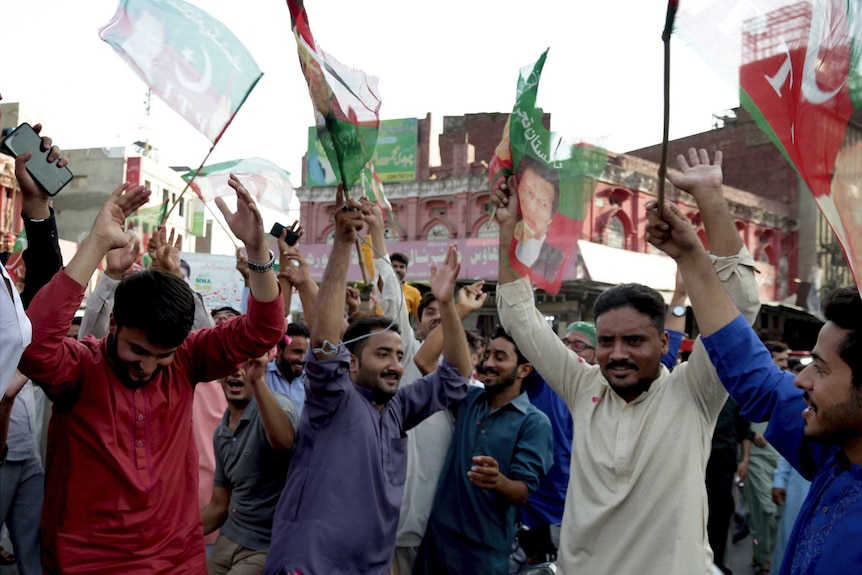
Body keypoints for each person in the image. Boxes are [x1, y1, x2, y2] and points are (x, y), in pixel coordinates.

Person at [492, 148, 760, 574]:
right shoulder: (585, 386)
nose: (617, 354)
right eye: (607, 341)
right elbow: (519, 318)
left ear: (663, 342)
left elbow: (741, 307)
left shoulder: (695, 390)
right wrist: (510, 230)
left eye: (634, 340)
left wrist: (710, 199)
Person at [18, 174, 285, 574]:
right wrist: (96, 244)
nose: (148, 367)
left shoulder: (187, 360)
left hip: (176, 558)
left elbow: (264, 330)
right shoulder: (79, 368)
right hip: (85, 561)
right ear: (113, 326)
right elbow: (35, 344)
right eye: (138, 350)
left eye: (163, 356)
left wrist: (257, 248)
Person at [644, 156, 862, 574]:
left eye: (820, 368)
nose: (800, 378)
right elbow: (753, 372)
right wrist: (692, 253)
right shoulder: (835, 450)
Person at [263, 186, 472, 575]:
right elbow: (325, 338)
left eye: (398, 355)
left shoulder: (398, 409)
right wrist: (342, 243)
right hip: (309, 565)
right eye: (382, 354)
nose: (395, 364)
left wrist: (448, 306)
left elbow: (457, 375)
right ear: (350, 366)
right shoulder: (333, 398)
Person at [415, 326, 554, 574]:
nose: (488, 363)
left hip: (483, 555)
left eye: (500, 357)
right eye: (487, 354)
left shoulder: (534, 422)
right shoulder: (469, 399)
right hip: (437, 545)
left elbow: (522, 492)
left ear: (524, 369)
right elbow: (424, 361)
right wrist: (454, 306)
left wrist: (498, 481)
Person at [202, 354, 298, 575]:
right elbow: (219, 506)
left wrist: (258, 381)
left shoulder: (277, 406)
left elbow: (284, 442)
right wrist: (175, 534)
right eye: (230, 365)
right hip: (230, 537)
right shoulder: (221, 433)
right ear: (218, 376)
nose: (237, 371)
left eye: (246, 365)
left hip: (266, 545)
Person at [511, 155, 564, 284]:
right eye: (528, 192)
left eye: (543, 204)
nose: (532, 208)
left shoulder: (558, 261)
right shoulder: (502, 241)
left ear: (550, 218)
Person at [264, 322, 310, 412]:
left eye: (306, 353)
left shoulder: (311, 379)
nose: (303, 359)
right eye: (297, 352)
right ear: (279, 350)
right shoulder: (263, 375)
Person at [390, 251, 422, 320]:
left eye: (402, 267)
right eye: (394, 266)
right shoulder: (380, 288)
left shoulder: (414, 292)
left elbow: (421, 316)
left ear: (406, 270)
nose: (398, 269)